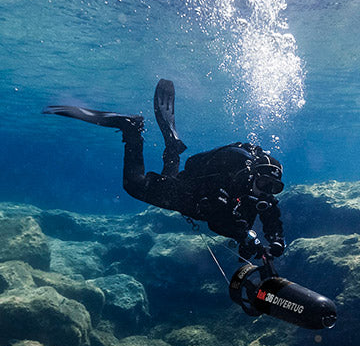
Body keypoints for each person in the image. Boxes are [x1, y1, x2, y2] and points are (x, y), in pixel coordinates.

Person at [43, 79, 286, 262]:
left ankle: (172, 146)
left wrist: (276, 241)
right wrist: (244, 235)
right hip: (188, 195)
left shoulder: (258, 191)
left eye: (274, 188)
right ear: (254, 175)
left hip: (187, 191)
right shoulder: (234, 180)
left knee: (172, 178)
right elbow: (217, 221)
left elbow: (270, 214)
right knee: (134, 184)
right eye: (265, 185)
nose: (268, 192)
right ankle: (131, 130)